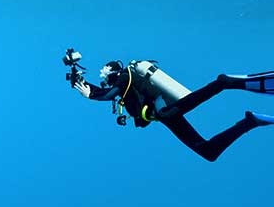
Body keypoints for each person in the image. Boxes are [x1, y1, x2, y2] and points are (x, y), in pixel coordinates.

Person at [73, 58, 274, 161]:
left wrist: (90, 95)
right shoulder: (123, 87)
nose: (103, 76)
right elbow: (104, 92)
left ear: (114, 72)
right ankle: (250, 122)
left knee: (184, 105)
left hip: (165, 111)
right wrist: (80, 83)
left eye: (105, 72)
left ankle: (223, 83)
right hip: (164, 115)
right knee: (208, 152)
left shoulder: (125, 77)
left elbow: (106, 94)